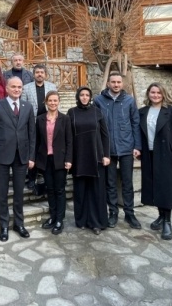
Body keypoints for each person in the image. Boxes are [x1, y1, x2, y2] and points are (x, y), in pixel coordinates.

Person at [0, 76, 36, 242]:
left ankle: (19, 224)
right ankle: (4, 225)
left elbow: (32, 134)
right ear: (7, 89)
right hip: (1, 155)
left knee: (19, 193)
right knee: (2, 193)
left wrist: (31, 156)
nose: (17, 89)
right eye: (13, 87)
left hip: (22, 156)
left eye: (19, 87)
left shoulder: (28, 107)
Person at [93, 72, 142, 229]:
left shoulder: (129, 101)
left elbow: (135, 123)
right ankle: (113, 212)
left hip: (127, 147)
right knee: (111, 183)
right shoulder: (99, 101)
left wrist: (137, 146)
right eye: (113, 82)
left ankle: (129, 213)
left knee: (127, 183)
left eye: (118, 82)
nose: (116, 85)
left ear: (123, 84)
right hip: (108, 150)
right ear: (108, 83)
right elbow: (95, 126)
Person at [139, 83, 172, 241]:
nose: (155, 95)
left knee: (167, 188)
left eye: (159, 92)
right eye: (153, 92)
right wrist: (137, 148)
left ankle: (167, 221)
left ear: (163, 94)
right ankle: (160, 216)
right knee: (154, 186)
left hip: (167, 154)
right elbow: (138, 133)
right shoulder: (142, 112)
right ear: (148, 94)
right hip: (149, 154)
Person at [68, 87, 110, 235]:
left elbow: (105, 135)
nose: (84, 97)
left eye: (87, 95)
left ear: (90, 97)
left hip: (96, 157)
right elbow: (69, 138)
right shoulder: (71, 113)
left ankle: (96, 222)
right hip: (79, 157)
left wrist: (106, 155)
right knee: (80, 191)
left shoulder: (97, 112)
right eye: (82, 95)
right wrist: (69, 159)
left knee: (96, 191)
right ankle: (81, 220)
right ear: (78, 97)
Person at [35, 91, 72, 235]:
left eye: (55, 100)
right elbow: (37, 141)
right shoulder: (40, 119)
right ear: (46, 102)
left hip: (60, 160)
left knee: (60, 190)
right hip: (45, 160)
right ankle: (52, 216)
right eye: (50, 100)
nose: (52, 103)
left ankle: (59, 220)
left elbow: (69, 141)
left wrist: (69, 159)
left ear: (59, 102)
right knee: (49, 189)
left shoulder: (65, 119)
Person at [21, 64, 57, 190]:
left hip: (49, 123)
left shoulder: (52, 87)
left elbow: (55, 104)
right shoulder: (26, 88)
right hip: (33, 124)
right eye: (37, 72)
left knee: (47, 149)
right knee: (34, 150)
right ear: (34, 74)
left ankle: (45, 176)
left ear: (45, 74)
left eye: (42, 72)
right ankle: (31, 178)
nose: (40, 74)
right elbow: (23, 107)